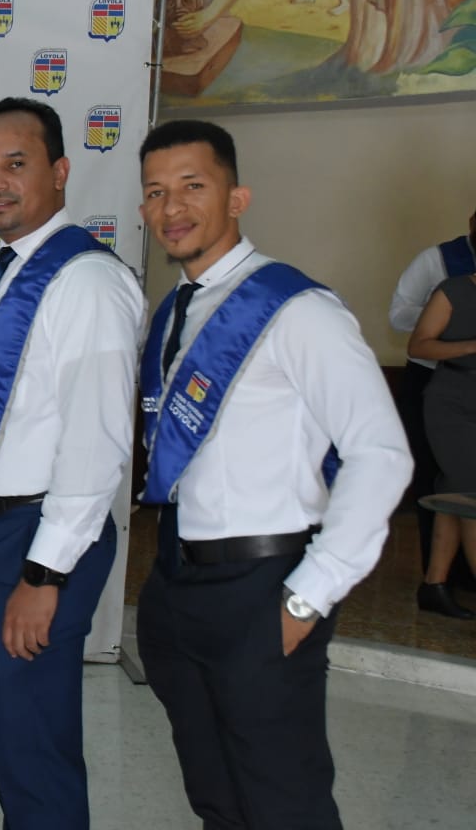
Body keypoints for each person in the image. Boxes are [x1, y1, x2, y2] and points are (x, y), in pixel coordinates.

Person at [135, 120, 411, 829]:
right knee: (216, 798)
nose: (172, 207)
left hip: (264, 587)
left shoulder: (297, 311)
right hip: (179, 583)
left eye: (192, 186)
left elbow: (381, 453)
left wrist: (306, 599)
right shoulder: (174, 313)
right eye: (156, 192)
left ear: (237, 198)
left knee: (285, 803)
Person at [0, 97, 143, 829]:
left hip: (41, 537)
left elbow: (96, 441)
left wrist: (44, 576)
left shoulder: (87, 280)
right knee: (11, 743)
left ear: (60, 171)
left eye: (15, 165)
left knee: (35, 753)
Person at [391, 209, 476, 595]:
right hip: (441, 383)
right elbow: (401, 319)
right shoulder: (440, 264)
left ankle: (437, 583)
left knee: (455, 487)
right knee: (457, 487)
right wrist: (450, 321)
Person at [409, 269, 476, 619]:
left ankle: (434, 585)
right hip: (453, 403)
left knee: (454, 494)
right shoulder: (453, 290)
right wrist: (471, 346)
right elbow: (419, 344)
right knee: (471, 493)